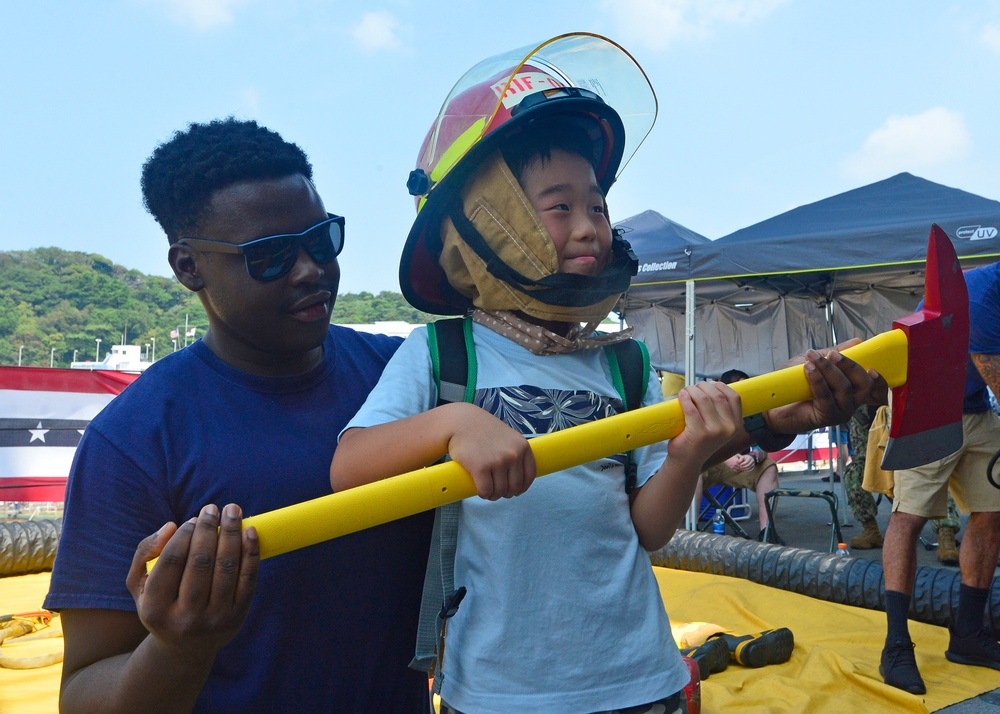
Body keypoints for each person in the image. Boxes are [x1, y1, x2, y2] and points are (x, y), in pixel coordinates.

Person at [329, 34, 886, 713]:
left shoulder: (624, 363)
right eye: (558, 207)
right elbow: (348, 470)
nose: (591, 226)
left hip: (640, 677)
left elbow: (648, 530)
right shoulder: (445, 356)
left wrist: (690, 452)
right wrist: (454, 423)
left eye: (596, 205)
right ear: (484, 224)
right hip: (503, 691)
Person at [43, 118, 434, 712]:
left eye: (321, 239)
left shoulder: (405, 376)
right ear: (188, 267)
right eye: (270, 256)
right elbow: (82, 692)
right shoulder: (135, 439)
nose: (311, 269)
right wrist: (178, 649)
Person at [879, 260, 1000, 695]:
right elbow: (995, 372)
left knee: (993, 509)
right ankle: (895, 645)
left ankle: (968, 634)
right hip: (926, 400)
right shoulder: (985, 293)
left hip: (973, 404)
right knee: (909, 517)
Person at [695, 368, 781, 540]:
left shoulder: (754, 409)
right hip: (708, 464)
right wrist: (727, 457)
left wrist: (755, 456)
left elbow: (763, 448)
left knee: (769, 467)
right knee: (691, 471)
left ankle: (767, 532)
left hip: (741, 465)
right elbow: (696, 447)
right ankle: (692, 530)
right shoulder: (711, 409)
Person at [843, 404, 884, 549]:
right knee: (853, 473)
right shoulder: (861, 412)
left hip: (910, 459)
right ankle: (871, 530)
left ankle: (945, 530)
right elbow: (863, 456)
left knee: (935, 469)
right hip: (880, 461)